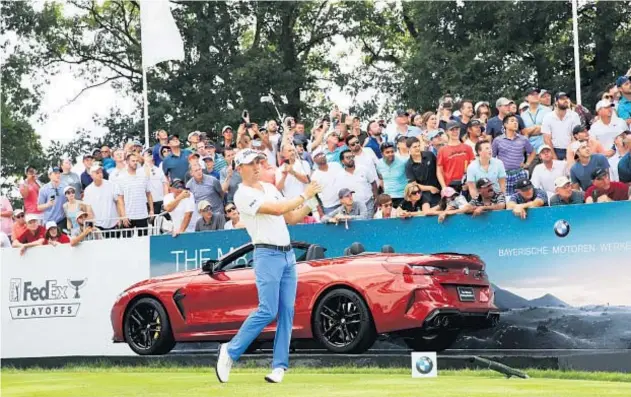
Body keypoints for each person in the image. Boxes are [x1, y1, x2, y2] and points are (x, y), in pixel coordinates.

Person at [215, 149, 322, 384]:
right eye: (250, 164)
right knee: (267, 309)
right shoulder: (241, 195)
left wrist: (312, 199)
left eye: (258, 163)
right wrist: (305, 194)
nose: (256, 167)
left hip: (287, 255)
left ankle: (279, 367)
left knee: (287, 312)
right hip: (266, 254)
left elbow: (291, 218)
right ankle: (230, 351)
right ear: (239, 168)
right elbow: (276, 210)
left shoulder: (271, 189)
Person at [376, 142, 407, 208]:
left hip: (402, 197)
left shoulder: (403, 161)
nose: (391, 154)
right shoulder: (378, 164)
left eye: (392, 152)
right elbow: (381, 178)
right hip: (387, 198)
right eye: (387, 152)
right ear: (382, 154)